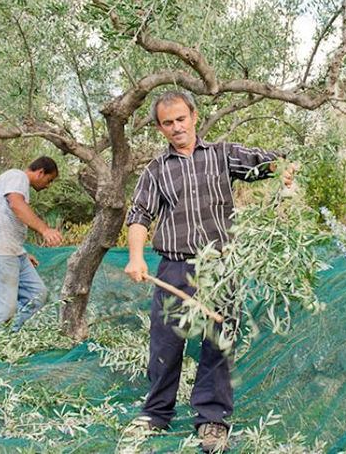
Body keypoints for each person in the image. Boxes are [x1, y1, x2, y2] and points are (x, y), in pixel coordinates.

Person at [124, 90, 294, 453]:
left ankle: (212, 420)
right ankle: (156, 414)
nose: (176, 127)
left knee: (219, 342)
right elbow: (139, 214)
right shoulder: (156, 171)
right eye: (167, 123)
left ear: (194, 116)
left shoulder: (222, 154)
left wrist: (285, 169)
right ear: (159, 127)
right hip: (175, 266)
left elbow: (271, 163)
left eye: (181, 119)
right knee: (166, 343)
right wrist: (136, 257)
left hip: (222, 266)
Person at [0, 156, 63, 337]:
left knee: (36, 294)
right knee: (3, 308)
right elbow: (16, 204)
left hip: (12, 251)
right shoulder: (17, 176)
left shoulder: (21, 184)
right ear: (40, 172)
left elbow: (9, 221)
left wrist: (22, 252)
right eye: (49, 180)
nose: (48, 185)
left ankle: (8, 337)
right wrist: (45, 229)